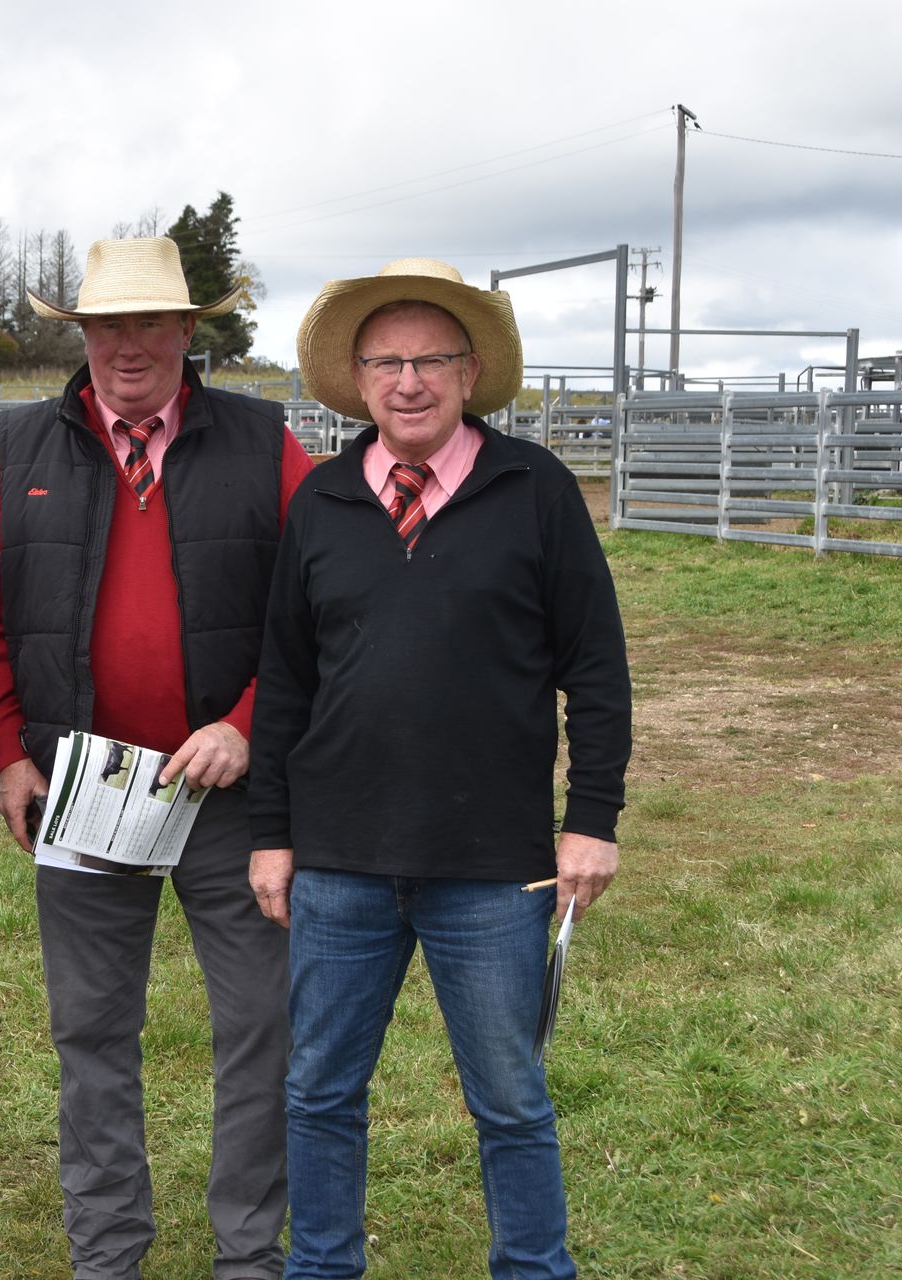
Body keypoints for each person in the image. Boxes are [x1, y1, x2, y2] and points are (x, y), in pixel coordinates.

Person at [248, 259, 633, 1280]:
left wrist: (592, 818)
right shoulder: (323, 500)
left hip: (494, 863)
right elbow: (284, 682)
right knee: (320, 1091)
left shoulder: (534, 490)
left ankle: (534, 1267)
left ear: (469, 372)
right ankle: (321, 1266)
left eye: (430, 360)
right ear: (358, 379)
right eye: (387, 362)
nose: (408, 381)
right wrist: (272, 833)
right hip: (339, 859)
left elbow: (596, 668)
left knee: (509, 1097)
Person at [0, 237, 314, 1280]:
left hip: (230, 791)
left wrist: (247, 720)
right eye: (108, 325)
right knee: (91, 1030)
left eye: (150, 322)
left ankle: (250, 1252)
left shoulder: (264, 442)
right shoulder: (22, 447)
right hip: (86, 788)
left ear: (188, 330)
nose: (128, 345)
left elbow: (316, 606)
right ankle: (108, 1252)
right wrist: (11, 751)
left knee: (260, 1023)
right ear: (82, 335)